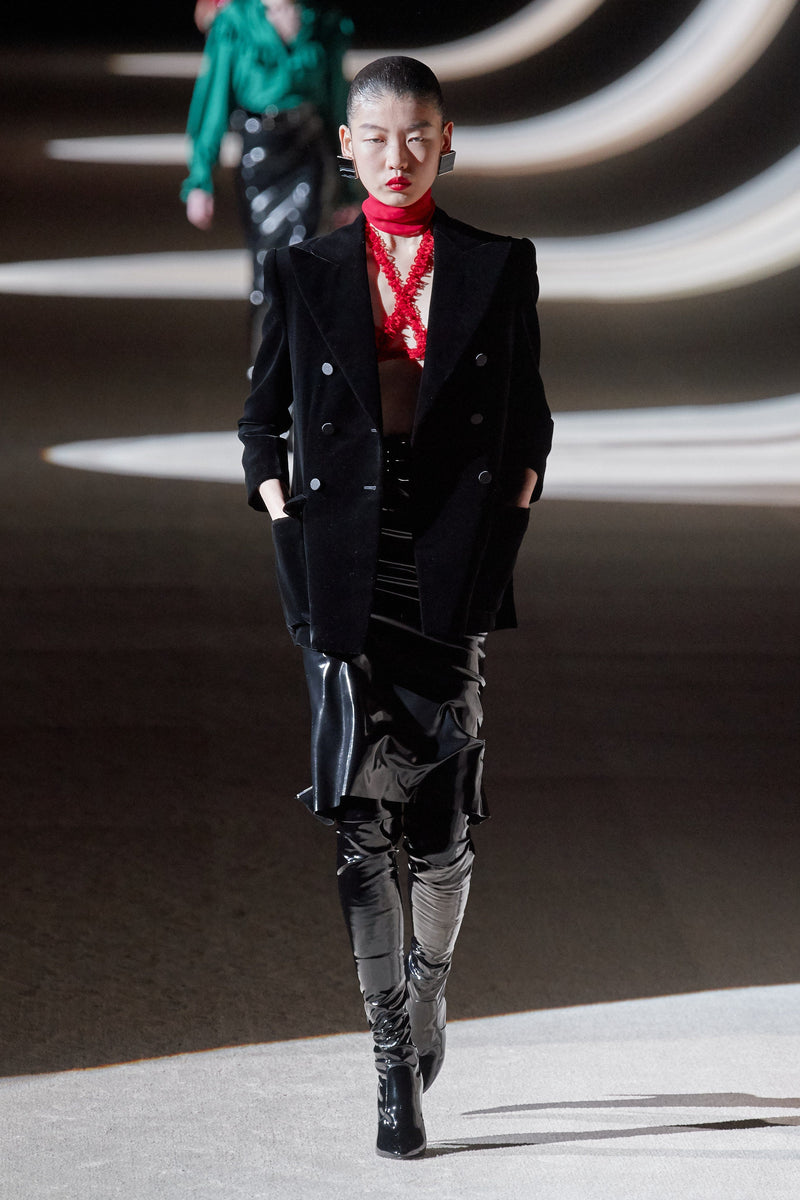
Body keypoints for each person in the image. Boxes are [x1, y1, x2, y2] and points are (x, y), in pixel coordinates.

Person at [238, 56, 553, 1159]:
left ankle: (428, 986)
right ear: (345, 146)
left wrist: (505, 521)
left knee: (443, 820)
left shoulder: (497, 264)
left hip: (448, 548)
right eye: (374, 137)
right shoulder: (302, 267)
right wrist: (283, 517)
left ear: (446, 140)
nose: (396, 155)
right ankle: (388, 1062)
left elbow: (528, 420)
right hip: (339, 553)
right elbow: (260, 422)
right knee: (358, 821)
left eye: (417, 135)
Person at [182, 0, 357, 347]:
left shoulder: (324, 23)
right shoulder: (235, 22)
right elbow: (213, 103)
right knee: (265, 268)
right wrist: (199, 180)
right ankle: (265, 367)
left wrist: (350, 187)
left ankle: (299, 367)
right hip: (258, 159)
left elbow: (339, 106)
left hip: (308, 156)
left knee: (303, 264)